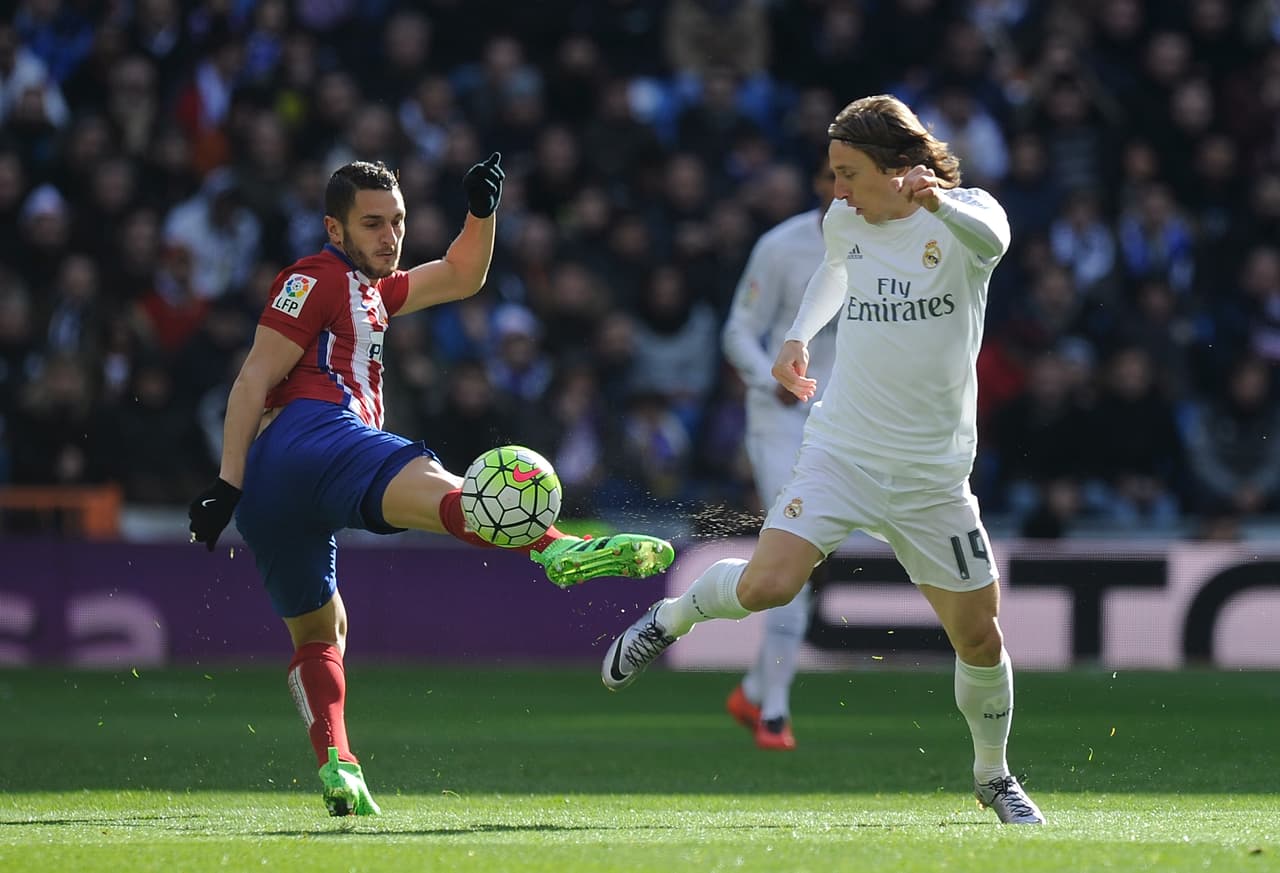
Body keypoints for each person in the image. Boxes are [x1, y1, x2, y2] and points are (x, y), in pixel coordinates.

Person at [601, 95, 1045, 825]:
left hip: (932, 477)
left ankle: (993, 774)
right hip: (841, 450)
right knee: (769, 585)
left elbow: (992, 240)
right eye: (832, 172)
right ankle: (669, 617)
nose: (836, 190)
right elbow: (835, 268)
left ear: (900, 170)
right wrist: (799, 334)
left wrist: (938, 202)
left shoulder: (968, 218)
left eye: (848, 172)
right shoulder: (846, 219)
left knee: (978, 635)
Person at [187, 156, 675, 817]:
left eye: (398, 222)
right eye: (372, 224)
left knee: (322, 632)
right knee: (450, 486)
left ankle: (338, 761)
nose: (390, 237)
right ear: (334, 227)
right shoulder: (313, 276)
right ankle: (555, 545)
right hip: (314, 437)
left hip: (279, 496)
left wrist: (482, 211)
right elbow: (252, 378)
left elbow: (462, 273)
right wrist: (224, 481)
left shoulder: (372, 292)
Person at [718, 155, 836, 750]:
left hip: (846, 423)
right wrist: (771, 382)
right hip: (779, 421)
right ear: (819, 183)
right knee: (797, 546)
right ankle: (776, 713)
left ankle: (754, 690)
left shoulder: (886, 246)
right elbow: (738, 329)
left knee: (808, 557)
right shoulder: (780, 246)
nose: (845, 190)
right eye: (835, 177)